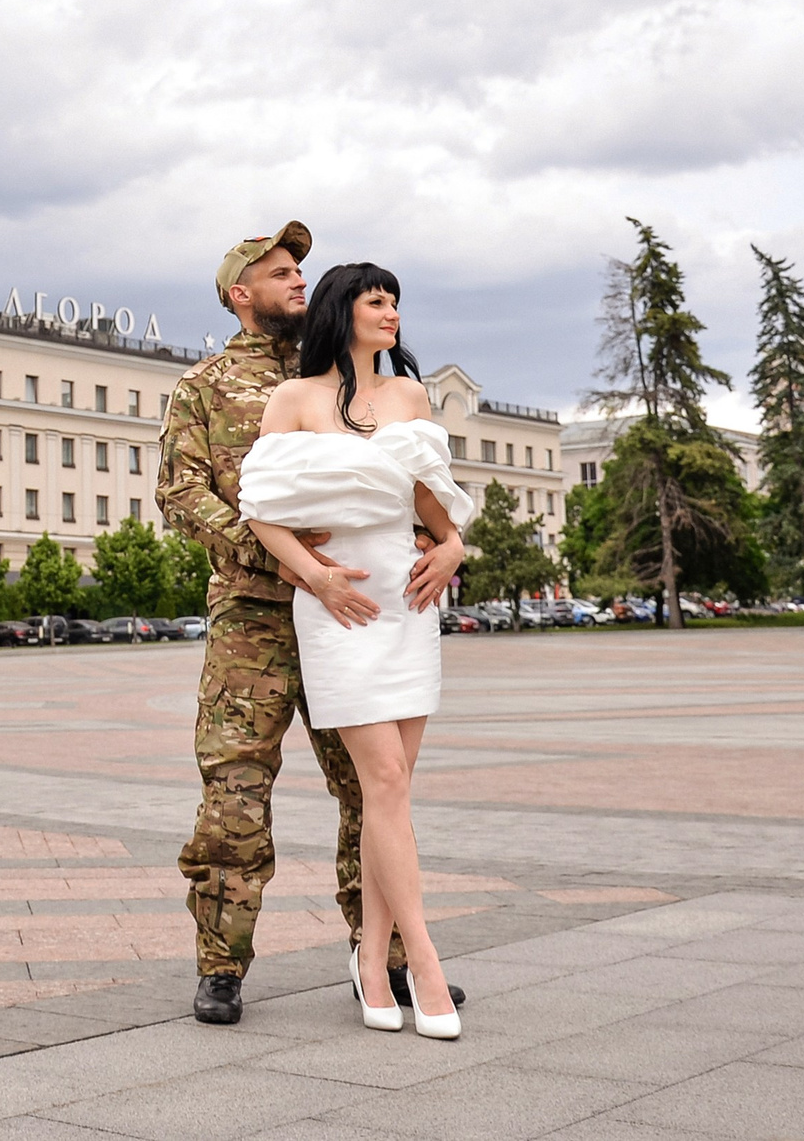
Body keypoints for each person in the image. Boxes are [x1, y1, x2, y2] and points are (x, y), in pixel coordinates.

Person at [160, 224, 462, 1027]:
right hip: (255, 620)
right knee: (235, 789)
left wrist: (434, 542)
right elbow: (182, 496)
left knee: (376, 789)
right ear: (240, 292)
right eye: (278, 272)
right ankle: (222, 965)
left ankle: (387, 960)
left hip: (358, 610)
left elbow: (401, 486)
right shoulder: (205, 385)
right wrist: (287, 566)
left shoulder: (336, 372)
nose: (297, 280)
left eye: (301, 271)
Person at [241, 261, 470, 1036]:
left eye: (398, 301)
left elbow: (430, 495)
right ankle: (425, 960)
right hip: (339, 609)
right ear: (345, 309)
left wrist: (455, 547)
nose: (393, 313)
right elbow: (261, 509)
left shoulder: (409, 396)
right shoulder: (292, 398)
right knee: (384, 781)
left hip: (408, 603)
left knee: (390, 792)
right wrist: (315, 578)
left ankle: (372, 959)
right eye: (378, 301)